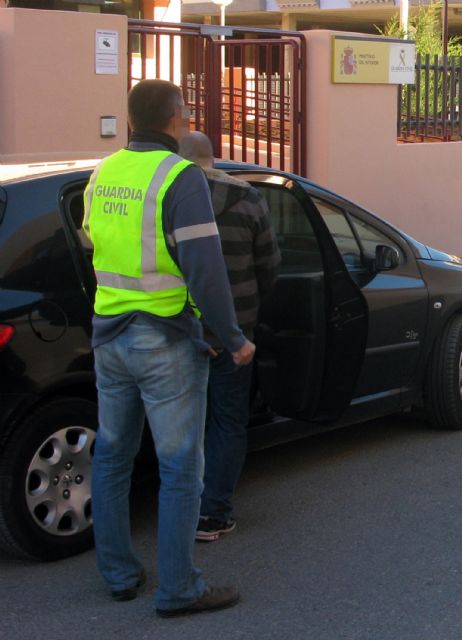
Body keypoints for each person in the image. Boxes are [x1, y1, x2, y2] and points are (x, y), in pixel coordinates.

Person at [83, 80, 255, 617]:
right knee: (182, 468)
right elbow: (205, 270)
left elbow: (91, 238)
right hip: (164, 341)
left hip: (109, 335)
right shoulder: (181, 177)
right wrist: (232, 339)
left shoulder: (102, 172)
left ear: (132, 120)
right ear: (178, 118)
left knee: (112, 458)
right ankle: (180, 589)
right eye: (185, 115)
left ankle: (118, 574)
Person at [178, 131, 280, 542]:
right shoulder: (247, 197)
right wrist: (248, 307)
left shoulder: (169, 195)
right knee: (228, 420)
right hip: (236, 328)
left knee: (185, 420)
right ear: (213, 157)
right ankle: (213, 514)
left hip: (181, 328)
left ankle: (180, 507)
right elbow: (270, 262)